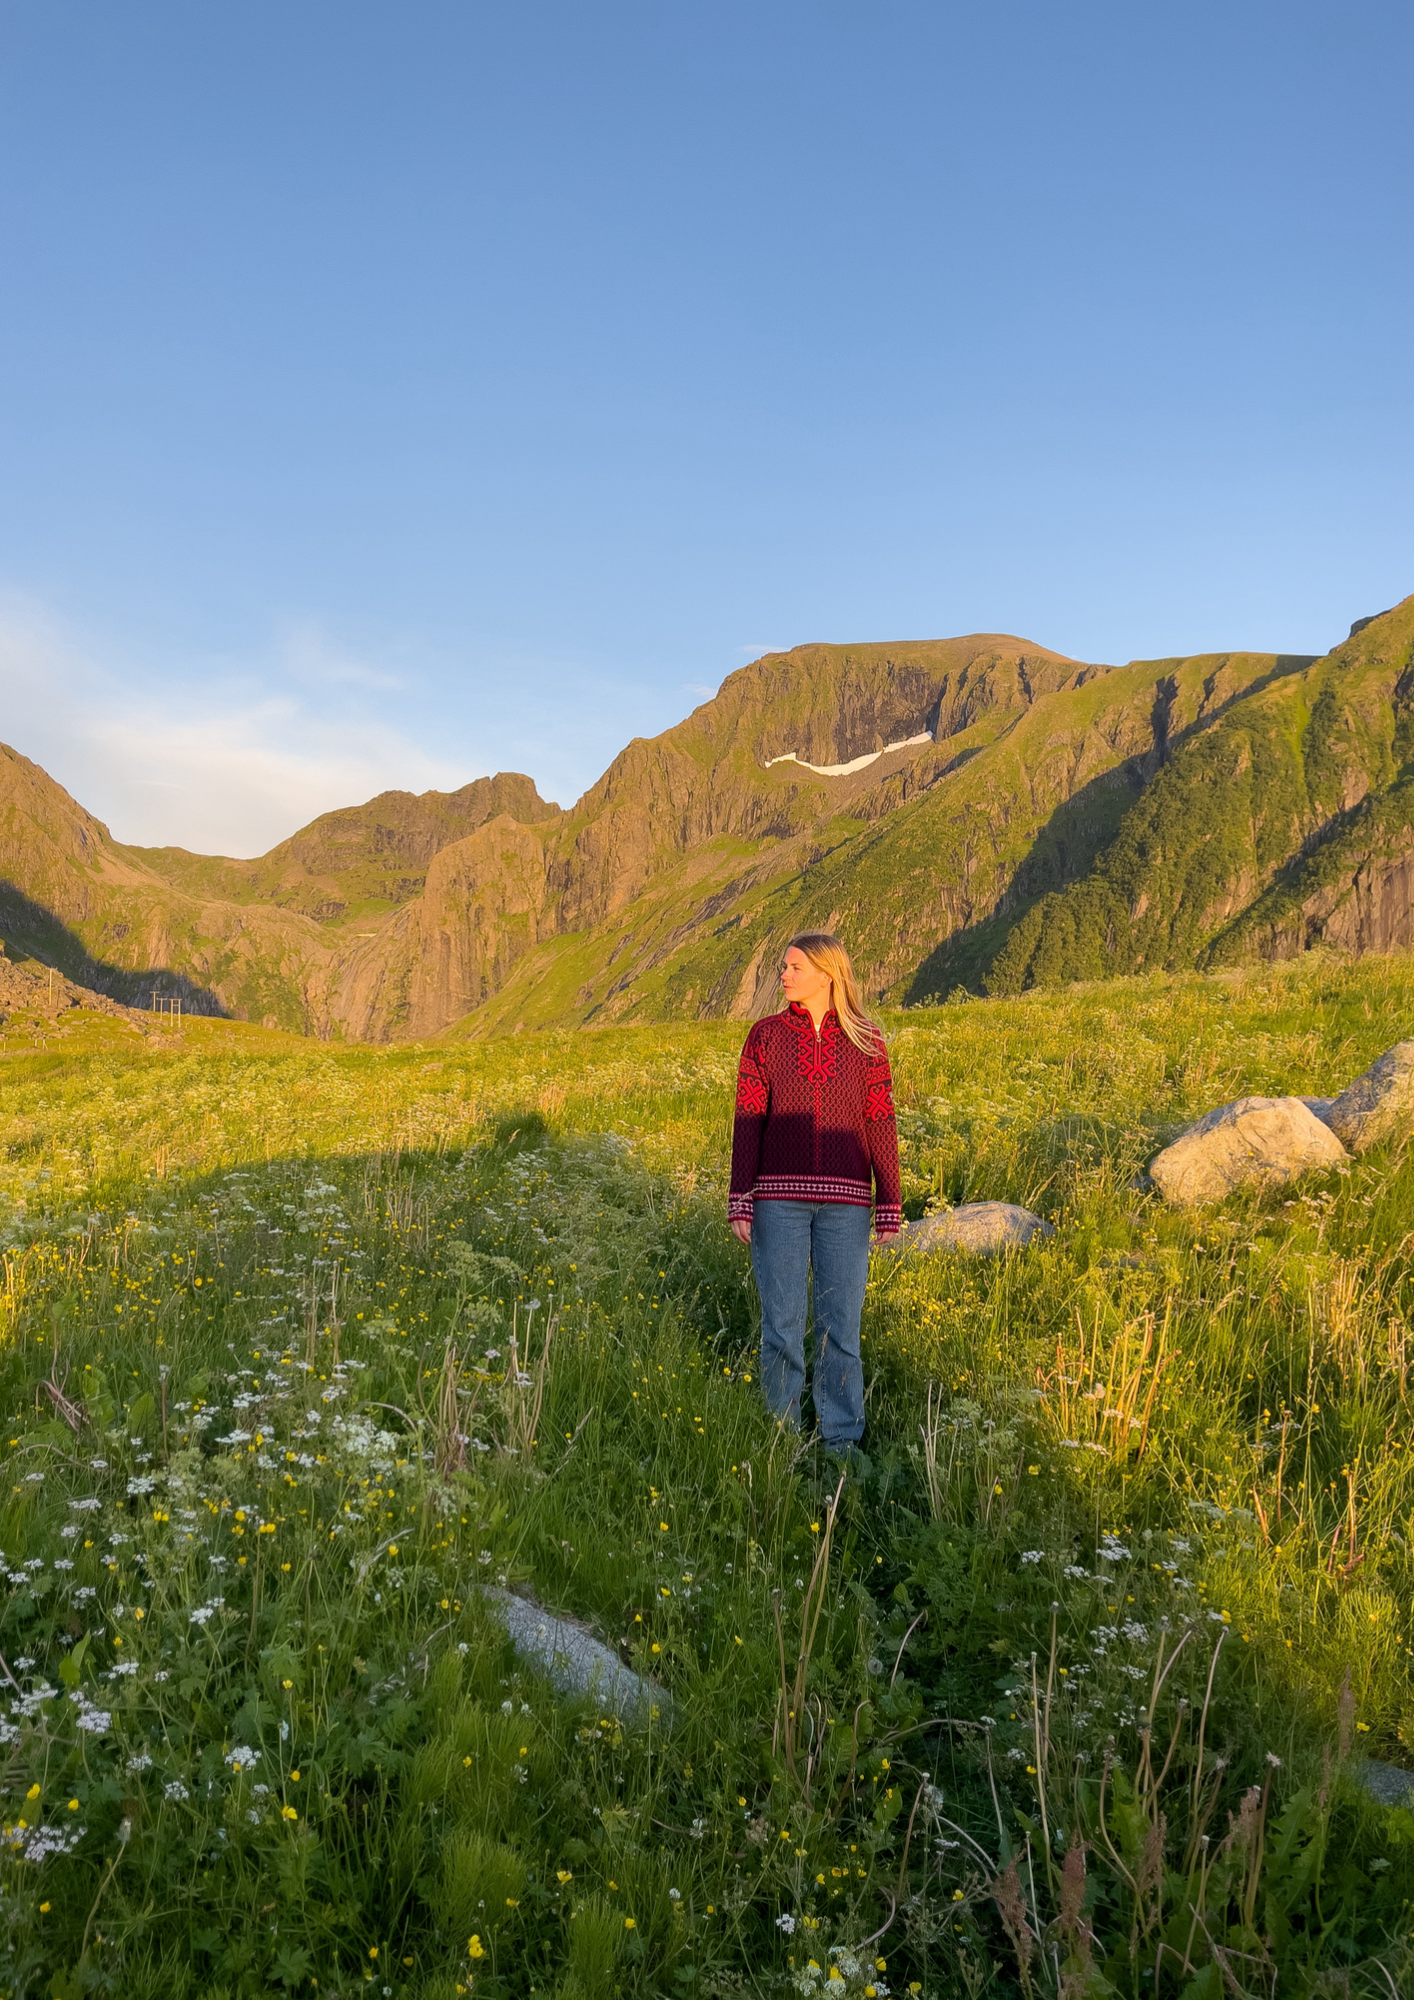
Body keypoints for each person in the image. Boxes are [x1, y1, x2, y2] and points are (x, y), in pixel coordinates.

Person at [728, 931, 901, 1457]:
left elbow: (881, 1122)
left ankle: (841, 1443)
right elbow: (748, 1120)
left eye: (794, 967)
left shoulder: (868, 1042)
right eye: (783, 966)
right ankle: (779, 1439)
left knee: (841, 1327)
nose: (783, 975)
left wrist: (889, 1203)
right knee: (782, 1326)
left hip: (847, 1205)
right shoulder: (764, 1037)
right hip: (777, 1201)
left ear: (827, 974)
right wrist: (740, 1196)